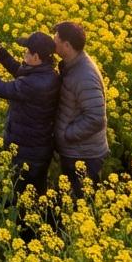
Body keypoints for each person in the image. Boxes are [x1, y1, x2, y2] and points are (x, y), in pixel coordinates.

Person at [0, 30, 61, 196]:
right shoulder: (48, 73)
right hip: (38, 148)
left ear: (36, 57)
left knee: (23, 195)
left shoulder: (34, 84)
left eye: (27, 51)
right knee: (35, 194)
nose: (24, 53)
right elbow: (20, 71)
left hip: (27, 152)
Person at [53, 21, 109, 198]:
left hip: (84, 155)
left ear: (67, 45)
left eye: (56, 39)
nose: (53, 42)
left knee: (81, 205)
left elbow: (96, 118)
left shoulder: (85, 76)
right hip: (76, 150)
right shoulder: (72, 65)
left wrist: (66, 135)